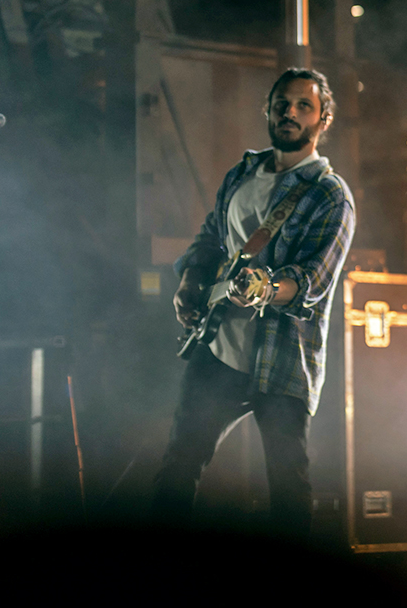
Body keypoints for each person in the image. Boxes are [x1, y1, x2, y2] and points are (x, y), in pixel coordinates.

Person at [153, 67, 355, 537]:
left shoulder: (330, 194)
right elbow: (211, 237)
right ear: (267, 110)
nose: (290, 113)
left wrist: (267, 289)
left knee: (287, 487)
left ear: (323, 119)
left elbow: (313, 279)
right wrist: (191, 283)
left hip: (282, 356)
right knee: (178, 466)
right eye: (282, 103)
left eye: (304, 106)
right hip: (219, 344)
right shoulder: (243, 171)